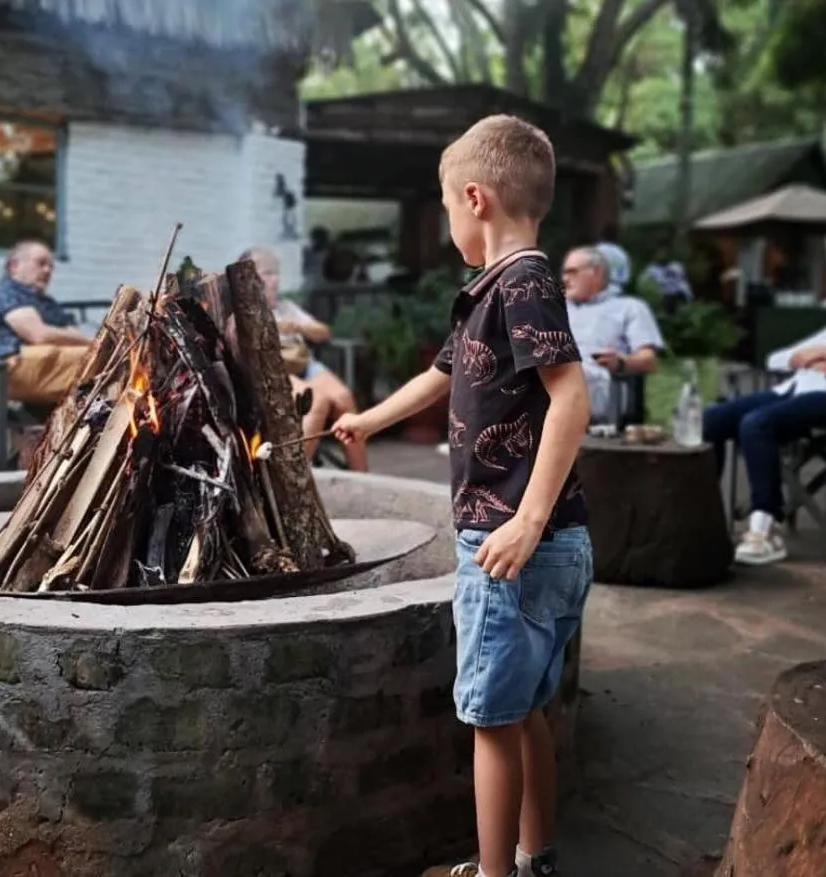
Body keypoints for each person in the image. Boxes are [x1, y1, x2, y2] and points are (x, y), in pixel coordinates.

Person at [333, 114, 591, 877]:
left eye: (446, 206)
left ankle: (492, 873)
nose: (449, 220)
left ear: (473, 197)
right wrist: (367, 418)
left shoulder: (523, 281)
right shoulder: (494, 291)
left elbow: (572, 398)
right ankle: (534, 855)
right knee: (526, 710)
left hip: (512, 543)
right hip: (546, 543)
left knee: (489, 721)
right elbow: (444, 373)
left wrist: (526, 520)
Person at [703, 270, 826, 565]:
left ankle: (764, 527)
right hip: (792, 390)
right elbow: (776, 358)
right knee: (713, 418)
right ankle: (703, 515)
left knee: (756, 423)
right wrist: (803, 357)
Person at [243, 246, 369, 471]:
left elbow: (324, 332)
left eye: (277, 273)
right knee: (316, 401)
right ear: (249, 277)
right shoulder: (245, 311)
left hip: (303, 364)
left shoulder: (286, 307)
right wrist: (272, 328)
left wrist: (298, 325)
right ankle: (296, 477)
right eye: (268, 273)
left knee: (343, 398)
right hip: (274, 369)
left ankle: (363, 475)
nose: (276, 280)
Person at [0, 240, 91, 405]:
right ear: (14, 266)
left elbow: (71, 332)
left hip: (41, 364)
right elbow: (39, 335)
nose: (47, 270)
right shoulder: (5, 291)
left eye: (51, 266)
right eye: (41, 263)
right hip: (10, 368)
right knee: (104, 361)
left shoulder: (44, 300)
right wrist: (93, 343)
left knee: (104, 361)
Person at [562, 244, 665, 422]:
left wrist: (621, 362)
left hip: (599, 387)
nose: (565, 279)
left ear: (596, 273)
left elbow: (649, 361)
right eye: (564, 273)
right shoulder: (555, 307)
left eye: (573, 272)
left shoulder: (629, 308)